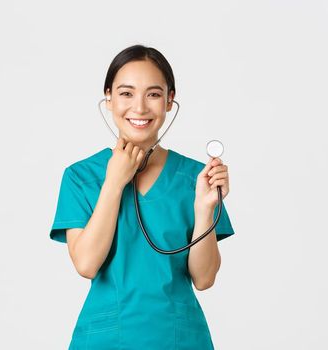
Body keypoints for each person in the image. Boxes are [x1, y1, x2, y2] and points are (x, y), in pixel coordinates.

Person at [49, 44, 235, 349]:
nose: (139, 107)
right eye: (126, 93)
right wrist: (114, 182)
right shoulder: (81, 177)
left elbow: (204, 279)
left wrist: (204, 209)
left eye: (153, 94)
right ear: (108, 98)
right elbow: (86, 264)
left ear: (169, 100)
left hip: (179, 340)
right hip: (105, 340)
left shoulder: (195, 178)